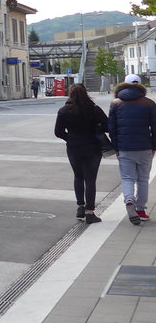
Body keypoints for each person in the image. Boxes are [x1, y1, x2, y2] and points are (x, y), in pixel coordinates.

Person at [53, 84, 108, 223]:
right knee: (90, 179)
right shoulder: (94, 110)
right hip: (93, 148)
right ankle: (90, 212)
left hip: (73, 148)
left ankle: (80, 207)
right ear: (86, 93)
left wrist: (70, 138)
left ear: (71, 94)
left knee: (78, 177)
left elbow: (58, 132)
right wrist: (97, 128)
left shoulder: (64, 111)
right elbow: (107, 126)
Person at [107, 74, 156, 225]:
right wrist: (154, 146)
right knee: (143, 179)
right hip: (144, 146)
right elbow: (155, 128)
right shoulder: (149, 103)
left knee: (128, 178)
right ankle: (140, 210)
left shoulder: (116, 103)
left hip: (125, 148)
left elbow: (112, 128)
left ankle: (129, 200)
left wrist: (116, 147)